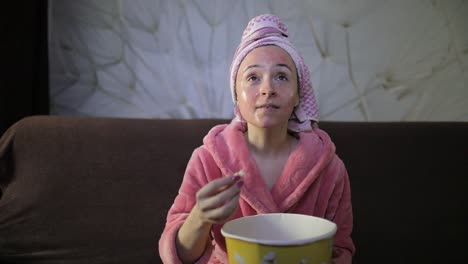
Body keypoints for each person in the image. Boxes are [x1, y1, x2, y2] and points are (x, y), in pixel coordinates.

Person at [159, 14, 355, 263]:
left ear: (298, 96)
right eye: (253, 77)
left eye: (281, 76)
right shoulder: (208, 159)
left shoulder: (329, 168)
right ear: (236, 96)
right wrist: (200, 216)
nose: (267, 89)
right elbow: (179, 256)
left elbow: (340, 250)